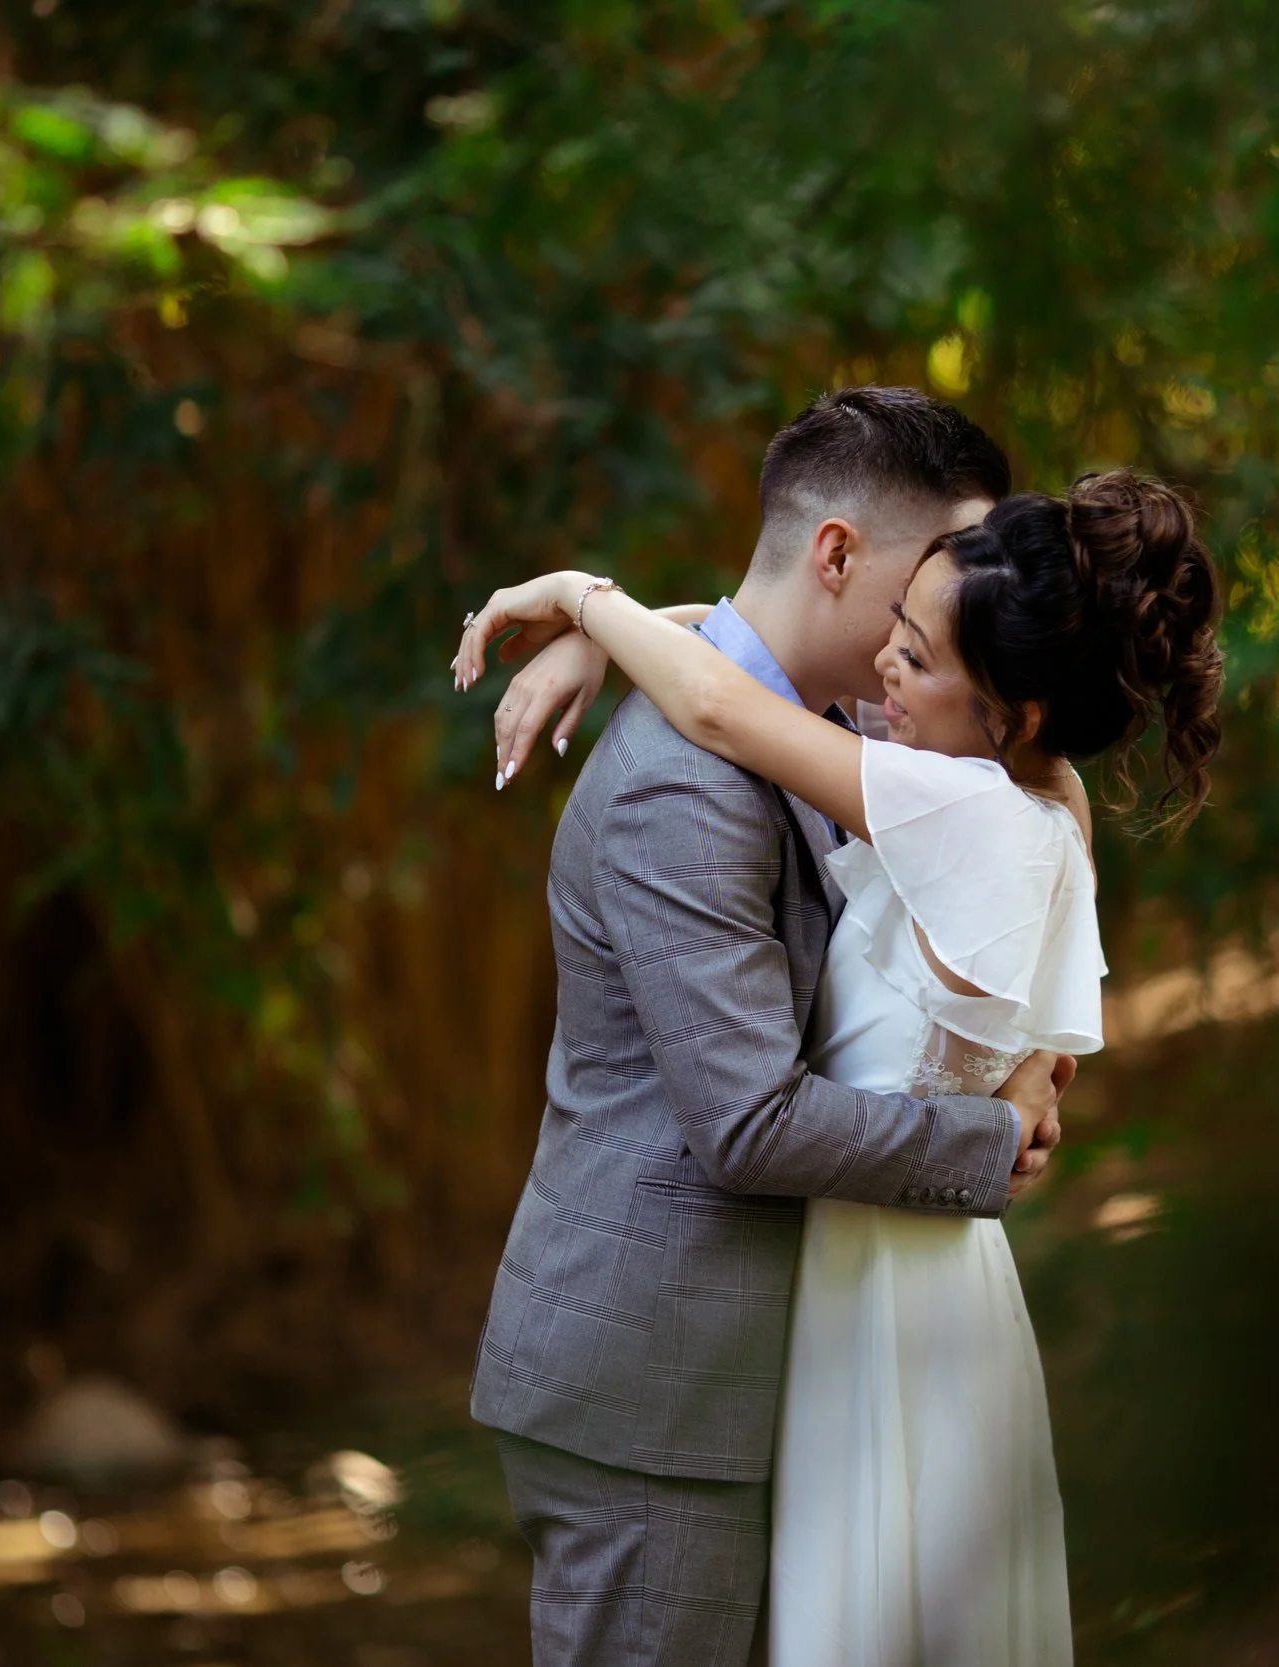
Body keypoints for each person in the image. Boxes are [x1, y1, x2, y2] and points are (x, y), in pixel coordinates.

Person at [456, 399, 1226, 1665]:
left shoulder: (921, 763)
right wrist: (986, 1132)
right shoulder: (686, 782)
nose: (906, 650)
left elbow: (734, 692)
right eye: (915, 602)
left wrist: (601, 613)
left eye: (939, 635)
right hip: (662, 1379)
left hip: (819, 1348)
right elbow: (748, 1120)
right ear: (836, 558)